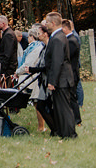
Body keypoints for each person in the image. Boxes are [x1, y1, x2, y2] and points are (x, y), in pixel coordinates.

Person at [33, 11, 77, 139]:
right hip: (61, 78)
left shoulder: (57, 38)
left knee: (63, 108)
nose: (45, 24)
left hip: (61, 79)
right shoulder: (57, 36)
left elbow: (57, 62)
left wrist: (52, 81)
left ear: (52, 23)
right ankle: (63, 132)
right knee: (59, 107)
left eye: (47, 22)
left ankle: (70, 134)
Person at [15, 24, 48, 132]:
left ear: (31, 37)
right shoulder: (36, 47)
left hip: (34, 77)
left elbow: (28, 64)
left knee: (37, 102)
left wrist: (17, 72)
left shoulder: (35, 48)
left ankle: (41, 126)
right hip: (33, 75)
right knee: (36, 102)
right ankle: (42, 126)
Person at [61, 19, 83, 125]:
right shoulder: (70, 40)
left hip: (72, 73)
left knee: (72, 97)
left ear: (65, 28)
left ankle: (77, 119)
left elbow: (67, 57)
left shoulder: (71, 41)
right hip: (72, 73)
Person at [0, 14, 18, 83]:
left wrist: (3, 66)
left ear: (3, 24)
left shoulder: (8, 35)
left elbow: (7, 53)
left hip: (8, 67)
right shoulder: (7, 33)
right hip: (7, 66)